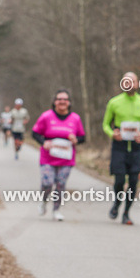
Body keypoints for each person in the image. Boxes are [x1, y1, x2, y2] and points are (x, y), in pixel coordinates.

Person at [102, 72, 140, 225]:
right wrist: (112, 134)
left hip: (137, 147)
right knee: (119, 180)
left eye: (132, 81)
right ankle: (117, 204)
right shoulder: (114, 102)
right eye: (126, 81)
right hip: (119, 146)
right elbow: (105, 124)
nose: (129, 83)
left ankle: (126, 213)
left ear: (137, 84)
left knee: (133, 181)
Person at [31, 90, 86, 221]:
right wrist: (43, 142)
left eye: (65, 99)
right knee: (47, 183)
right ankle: (43, 201)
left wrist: (76, 140)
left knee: (61, 185)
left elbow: (83, 137)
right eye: (59, 99)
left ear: (69, 103)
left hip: (66, 159)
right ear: (54, 102)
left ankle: (56, 210)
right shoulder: (46, 116)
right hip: (48, 158)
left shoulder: (75, 118)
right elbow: (35, 133)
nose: (62, 102)